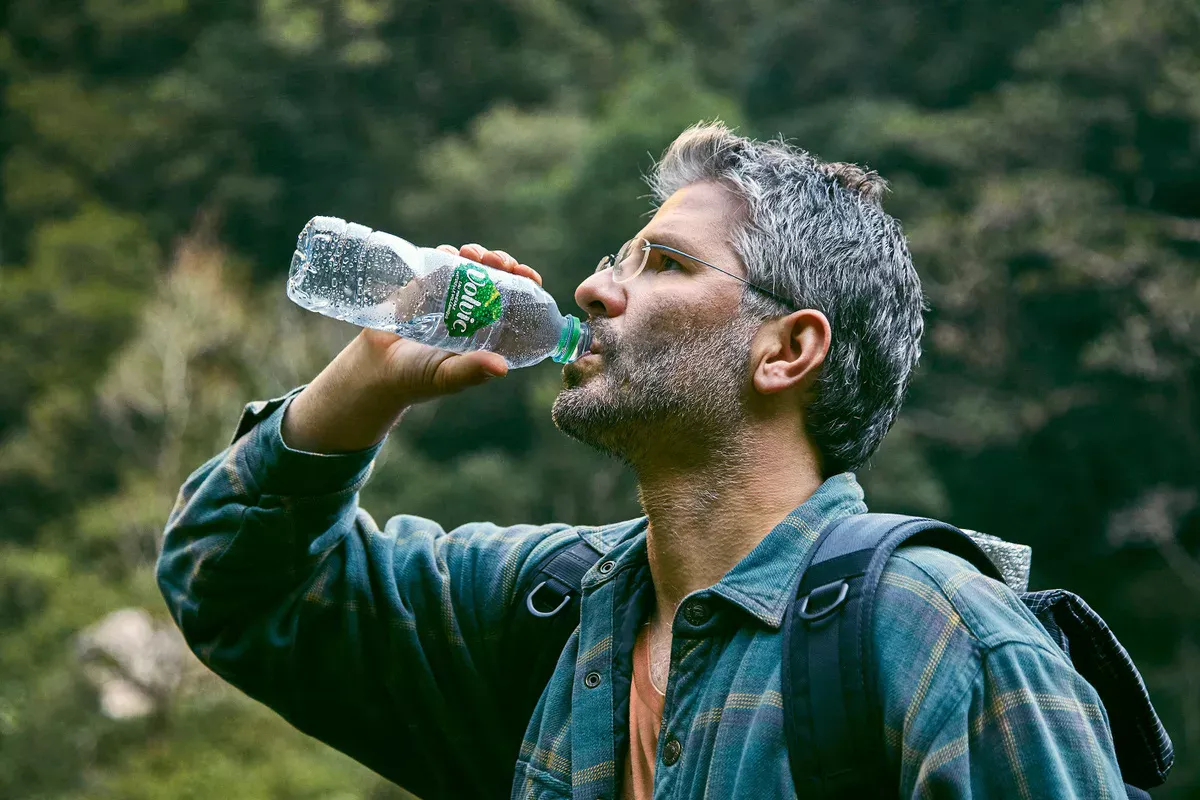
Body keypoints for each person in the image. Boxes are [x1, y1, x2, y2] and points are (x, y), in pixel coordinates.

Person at [158, 122, 1125, 799]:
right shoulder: (547, 613)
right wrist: (367, 384)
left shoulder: (937, 638)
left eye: (663, 263)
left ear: (787, 349)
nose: (588, 288)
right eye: (617, 259)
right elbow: (235, 587)